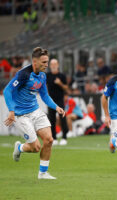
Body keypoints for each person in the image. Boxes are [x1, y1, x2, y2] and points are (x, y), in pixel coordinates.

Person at [3, 47, 65, 179]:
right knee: (35, 147)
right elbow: (7, 91)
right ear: (34, 61)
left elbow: (44, 95)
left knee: (49, 140)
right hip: (21, 115)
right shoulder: (23, 74)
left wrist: (56, 107)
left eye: (47, 62)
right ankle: (19, 148)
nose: (46, 65)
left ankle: (43, 173)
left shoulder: (42, 75)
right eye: (43, 62)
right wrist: (11, 111)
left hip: (35, 111)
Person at [46, 59, 69, 146]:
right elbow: (45, 87)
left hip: (60, 100)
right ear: (50, 65)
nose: (53, 65)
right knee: (51, 119)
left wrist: (60, 83)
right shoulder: (47, 75)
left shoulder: (62, 76)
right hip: (51, 101)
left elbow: (66, 88)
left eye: (55, 64)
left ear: (58, 65)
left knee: (63, 118)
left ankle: (64, 137)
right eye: (52, 64)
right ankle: (54, 138)